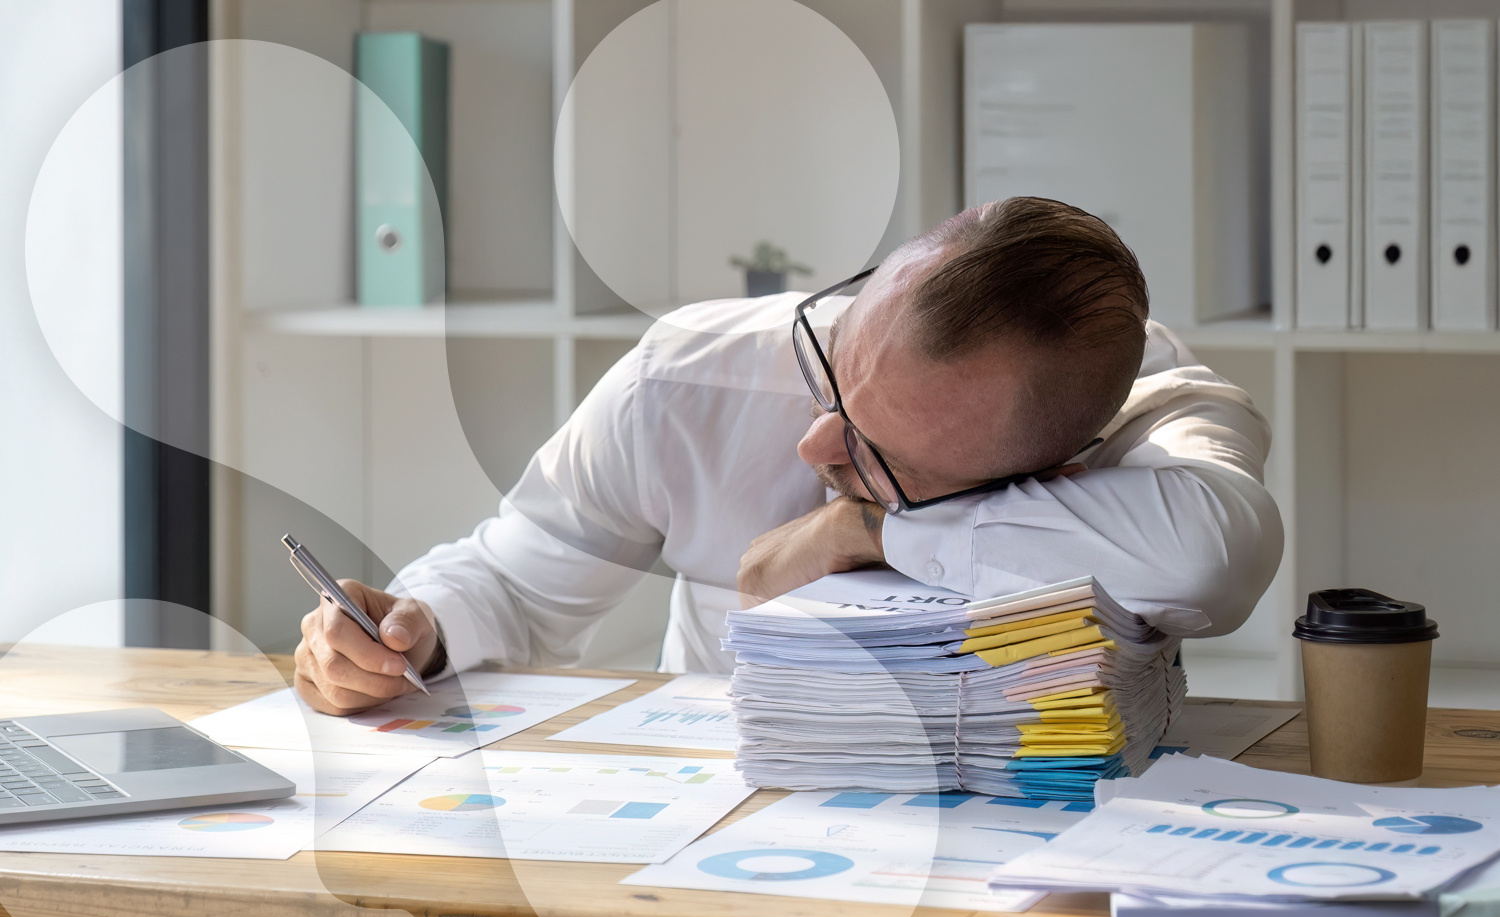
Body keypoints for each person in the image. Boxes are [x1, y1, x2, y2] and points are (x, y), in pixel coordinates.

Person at [294, 197, 1282, 716]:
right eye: (833, 368)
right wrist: (410, 630)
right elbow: (515, 580)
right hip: (717, 862)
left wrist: (870, 532)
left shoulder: (1151, 406)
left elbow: (1210, 558)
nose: (816, 441)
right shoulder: (694, 374)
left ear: (1064, 466)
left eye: (879, 453)